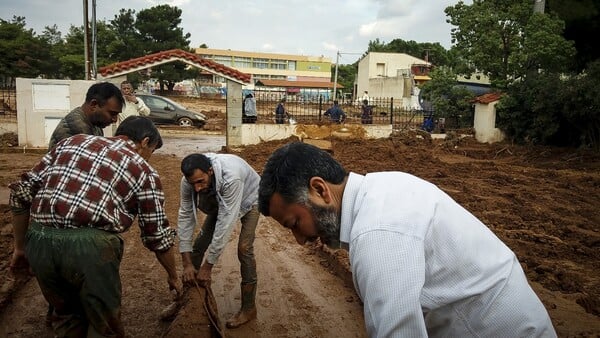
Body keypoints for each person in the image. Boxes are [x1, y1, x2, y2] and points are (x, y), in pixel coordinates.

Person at [257, 142, 557, 338]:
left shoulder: (376, 232)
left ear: (320, 190)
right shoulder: (383, 188)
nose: (299, 240)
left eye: (295, 223)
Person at [8, 116, 182, 337]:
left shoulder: (71, 142)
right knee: (104, 325)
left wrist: (20, 248)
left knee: (66, 316)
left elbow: (21, 193)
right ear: (145, 141)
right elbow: (156, 234)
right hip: (89, 249)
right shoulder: (144, 170)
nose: (150, 158)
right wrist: (173, 276)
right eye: (152, 151)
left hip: (40, 240)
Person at [177, 153, 260, 328]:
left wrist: (208, 266)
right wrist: (186, 264)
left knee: (244, 248)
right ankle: (186, 299)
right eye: (193, 184)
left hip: (250, 199)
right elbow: (185, 215)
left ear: (210, 171)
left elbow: (225, 223)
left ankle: (249, 308)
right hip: (218, 196)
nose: (197, 188)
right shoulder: (188, 181)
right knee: (199, 244)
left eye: (200, 181)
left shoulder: (232, 177)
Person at [48, 81, 124, 149]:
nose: (115, 119)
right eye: (112, 114)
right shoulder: (76, 128)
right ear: (93, 105)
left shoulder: (95, 124)